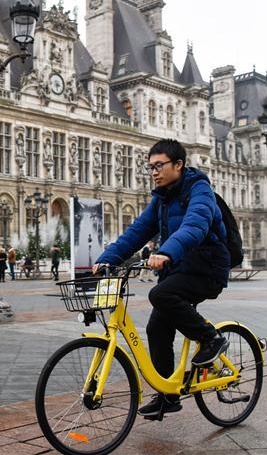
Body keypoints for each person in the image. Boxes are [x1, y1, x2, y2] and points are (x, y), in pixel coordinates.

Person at [93, 138, 230, 419]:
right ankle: (168, 395)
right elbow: (137, 231)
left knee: (160, 295)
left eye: (159, 166)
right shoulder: (161, 198)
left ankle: (212, 338)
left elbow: (195, 225)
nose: (154, 172)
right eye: (150, 167)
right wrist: (108, 258)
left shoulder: (200, 189)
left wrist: (166, 251)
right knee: (156, 327)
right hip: (180, 268)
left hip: (207, 267)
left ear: (178, 165)